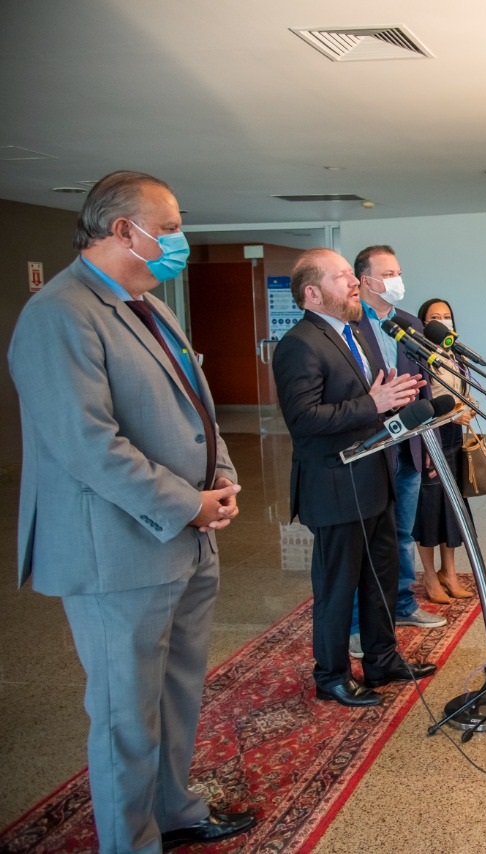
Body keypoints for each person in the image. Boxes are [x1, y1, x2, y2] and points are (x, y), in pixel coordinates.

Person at [8, 170, 255, 852]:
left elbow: (192, 403)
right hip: (116, 551)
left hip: (184, 539)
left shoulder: (150, 304)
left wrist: (221, 480)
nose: (180, 239)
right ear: (124, 230)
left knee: (176, 695)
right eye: (170, 227)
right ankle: (131, 841)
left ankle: (172, 811)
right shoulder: (60, 313)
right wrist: (187, 504)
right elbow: (89, 445)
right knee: (126, 715)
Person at [273, 248, 437, 708]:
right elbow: (304, 419)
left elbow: (369, 398)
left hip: (374, 476)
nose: (352, 284)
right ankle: (332, 675)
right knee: (336, 587)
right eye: (342, 277)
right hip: (334, 486)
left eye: (351, 275)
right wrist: (376, 403)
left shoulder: (353, 333)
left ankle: (382, 659)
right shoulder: (300, 344)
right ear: (312, 292)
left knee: (380, 577)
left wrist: (395, 398)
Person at [348, 245, 445, 662]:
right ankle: (356, 624)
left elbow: (423, 386)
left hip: (408, 444)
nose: (396, 281)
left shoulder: (408, 324)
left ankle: (402, 605)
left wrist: (428, 445)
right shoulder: (348, 325)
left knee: (402, 533)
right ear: (364, 280)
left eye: (399, 272)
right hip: (370, 447)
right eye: (387, 273)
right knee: (366, 541)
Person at [414, 297, 478, 599]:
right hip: (430, 437)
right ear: (423, 323)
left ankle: (449, 573)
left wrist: (468, 405)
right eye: (435, 316)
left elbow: (458, 391)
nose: (443, 321)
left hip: (453, 437)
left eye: (447, 315)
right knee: (429, 509)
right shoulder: (418, 354)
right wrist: (452, 412)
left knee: (453, 508)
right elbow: (421, 401)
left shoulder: (455, 351)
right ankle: (430, 577)